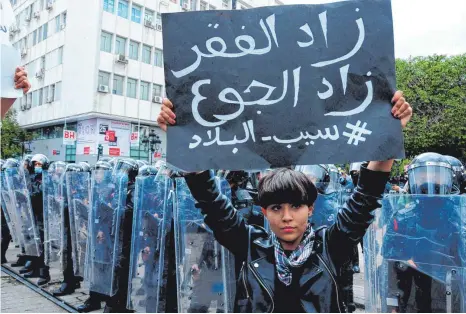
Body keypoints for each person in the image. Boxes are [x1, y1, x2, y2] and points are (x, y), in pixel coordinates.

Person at [157, 91, 412, 312]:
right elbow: (211, 201)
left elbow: (365, 198)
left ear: (310, 209)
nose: (287, 217)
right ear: (264, 212)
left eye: (296, 206)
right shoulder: (249, 245)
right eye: (277, 208)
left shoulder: (330, 247)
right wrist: (182, 137)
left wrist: (389, 132)